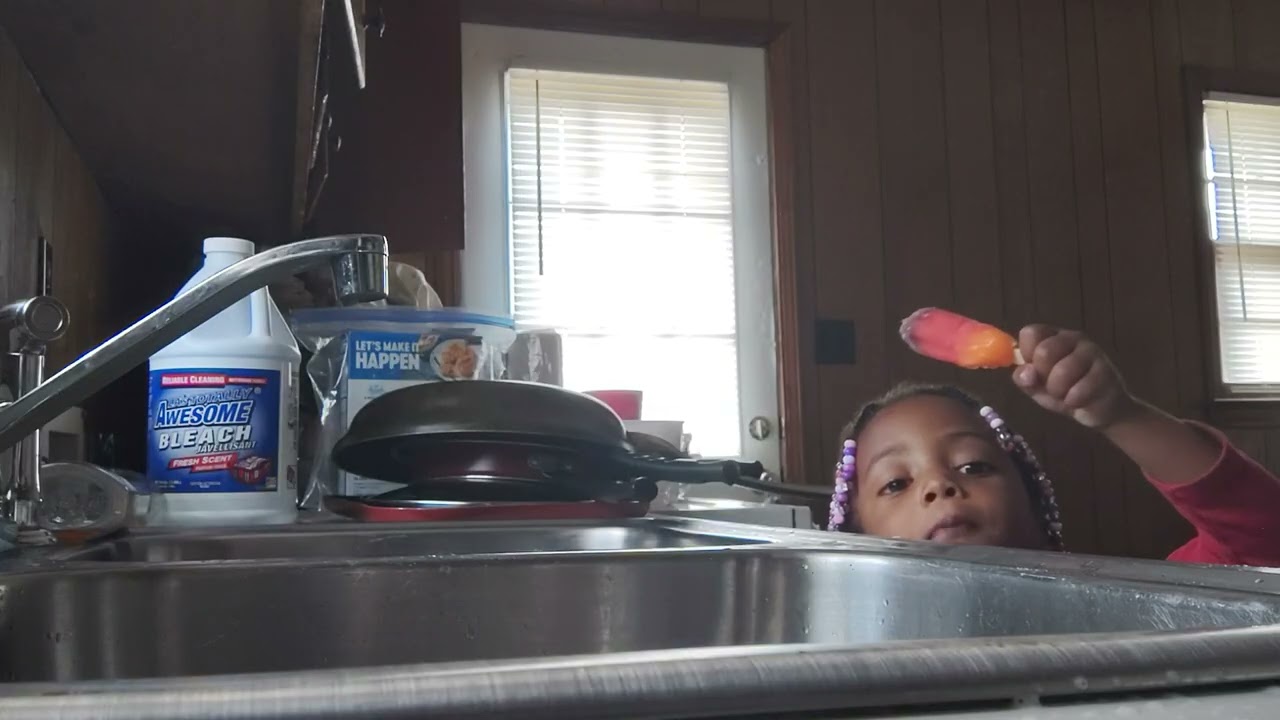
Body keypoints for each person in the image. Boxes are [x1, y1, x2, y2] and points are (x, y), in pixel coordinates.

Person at [827, 324, 1280, 566]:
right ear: (856, 539)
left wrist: (1120, 414)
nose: (939, 485)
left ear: (1035, 502)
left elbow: (1262, 536)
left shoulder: (1121, 624)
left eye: (974, 466)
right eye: (896, 483)